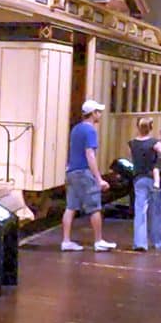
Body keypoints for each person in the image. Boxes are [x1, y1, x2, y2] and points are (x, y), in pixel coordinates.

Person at [60, 100, 117, 252]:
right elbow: (90, 154)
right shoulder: (90, 131)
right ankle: (98, 241)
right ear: (92, 114)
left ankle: (66, 241)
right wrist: (99, 178)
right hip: (84, 172)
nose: (100, 114)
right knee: (94, 207)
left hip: (71, 171)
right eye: (98, 111)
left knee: (70, 207)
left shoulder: (76, 129)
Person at [128, 118, 161, 251]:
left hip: (138, 179)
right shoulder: (153, 143)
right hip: (153, 179)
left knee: (140, 211)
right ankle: (157, 242)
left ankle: (140, 243)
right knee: (156, 211)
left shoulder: (132, 143)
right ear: (150, 128)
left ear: (137, 128)